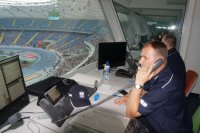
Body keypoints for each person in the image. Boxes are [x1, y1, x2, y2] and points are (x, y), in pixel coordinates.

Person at [115, 41, 192, 133]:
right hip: (154, 118)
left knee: (120, 122)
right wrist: (129, 95)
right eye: (141, 57)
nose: (140, 61)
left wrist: (138, 83)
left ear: (159, 61)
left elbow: (131, 113)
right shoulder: (159, 72)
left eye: (145, 58)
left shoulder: (166, 85)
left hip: (166, 129)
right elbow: (145, 90)